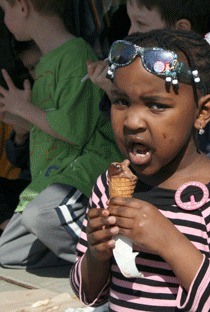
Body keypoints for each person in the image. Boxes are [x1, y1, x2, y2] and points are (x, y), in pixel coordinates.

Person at [69, 29, 210, 311]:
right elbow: (88, 295)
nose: (133, 121)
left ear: (202, 112)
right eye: (121, 101)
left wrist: (169, 242)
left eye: (156, 105)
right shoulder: (109, 185)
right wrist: (96, 254)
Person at [0, 0, 122, 268]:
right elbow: (53, 124)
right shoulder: (47, 60)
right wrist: (21, 119)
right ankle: (83, 255)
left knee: (41, 216)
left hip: (82, 170)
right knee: (7, 253)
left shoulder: (76, 54)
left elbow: (74, 130)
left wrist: (25, 109)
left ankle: (113, 264)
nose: (4, 18)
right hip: (51, 177)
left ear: (22, 6)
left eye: (4, 8)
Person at [87, 0, 210, 165]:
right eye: (131, 22)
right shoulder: (140, 64)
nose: (131, 32)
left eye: (141, 23)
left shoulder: (206, 70)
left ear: (181, 28)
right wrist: (111, 90)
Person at [0, 40, 40, 234]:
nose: (36, 73)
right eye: (30, 68)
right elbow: (16, 160)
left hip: (54, 182)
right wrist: (21, 136)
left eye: (38, 64)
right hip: (29, 184)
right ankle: (10, 231)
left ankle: (12, 235)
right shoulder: (32, 95)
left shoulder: (65, 94)